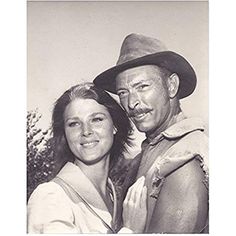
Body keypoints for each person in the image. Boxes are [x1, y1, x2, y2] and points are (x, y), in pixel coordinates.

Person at [94, 33, 209, 233]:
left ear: (171, 86)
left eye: (143, 86)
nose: (131, 103)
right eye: (123, 93)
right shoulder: (154, 151)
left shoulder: (183, 159)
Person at [27, 82, 147, 233]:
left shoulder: (115, 196)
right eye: (74, 124)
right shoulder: (50, 196)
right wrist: (130, 230)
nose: (86, 131)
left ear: (115, 126)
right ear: (64, 133)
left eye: (96, 119)